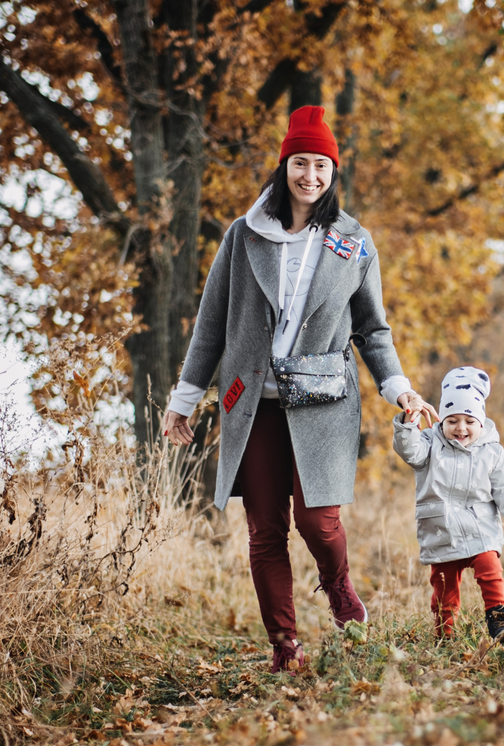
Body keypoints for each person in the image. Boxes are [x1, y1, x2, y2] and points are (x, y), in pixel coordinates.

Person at [163, 106, 436, 673]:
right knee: (265, 532)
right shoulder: (244, 235)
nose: (310, 175)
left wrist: (400, 388)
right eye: (300, 162)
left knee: (318, 522)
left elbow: (372, 328)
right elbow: (212, 321)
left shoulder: (354, 242)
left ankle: (339, 589)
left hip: (324, 402)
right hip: (252, 402)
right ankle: (284, 646)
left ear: (333, 171)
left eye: (321, 165)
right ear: (284, 165)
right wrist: (183, 401)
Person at [393, 366, 504, 642]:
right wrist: (409, 422)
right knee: (444, 590)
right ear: (441, 420)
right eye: (452, 420)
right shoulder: (429, 443)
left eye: (469, 420)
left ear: (481, 421)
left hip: (480, 528)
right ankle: (445, 636)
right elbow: (409, 451)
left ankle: (499, 621)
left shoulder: (492, 452)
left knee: (490, 569)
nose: (460, 428)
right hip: (442, 529)